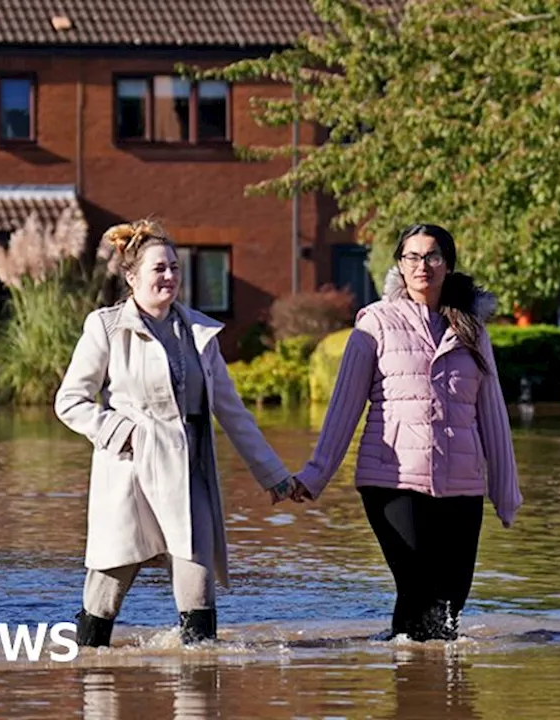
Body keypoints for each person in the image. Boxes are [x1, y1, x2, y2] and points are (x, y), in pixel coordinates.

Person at [55, 220, 298, 647]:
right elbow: (69, 401)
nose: (169, 277)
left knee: (197, 586)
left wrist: (274, 475)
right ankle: (90, 674)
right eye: (158, 269)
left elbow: (233, 412)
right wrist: (121, 432)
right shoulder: (105, 327)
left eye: (174, 268)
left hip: (190, 473)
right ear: (131, 277)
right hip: (130, 472)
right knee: (106, 589)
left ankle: (199, 690)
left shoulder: (201, 333)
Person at [287, 223, 522, 641]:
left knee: (452, 600)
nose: (422, 266)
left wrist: (505, 491)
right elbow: (344, 408)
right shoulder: (375, 324)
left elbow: (492, 415)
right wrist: (315, 475)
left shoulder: (472, 330)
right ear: (399, 265)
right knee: (417, 590)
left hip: (462, 485)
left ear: (447, 264)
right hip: (392, 481)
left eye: (432, 256)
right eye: (412, 257)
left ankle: (442, 695)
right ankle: (411, 686)